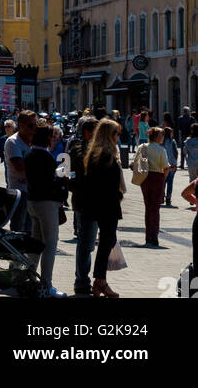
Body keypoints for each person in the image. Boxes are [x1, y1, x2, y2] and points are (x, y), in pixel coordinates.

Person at [82, 117, 123, 297]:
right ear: (108, 134)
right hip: (107, 205)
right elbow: (106, 183)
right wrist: (118, 195)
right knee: (106, 243)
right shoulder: (106, 155)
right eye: (116, 133)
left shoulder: (96, 153)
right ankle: (100, 282)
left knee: (105, 243)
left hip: (98, 204)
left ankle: (99, 282)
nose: (118, 136)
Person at [25, 121, 66, 296]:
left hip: (32, 201)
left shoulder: (29, 154)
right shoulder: (47, 157)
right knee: (50, 244)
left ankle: (29, 279)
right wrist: (63, 179)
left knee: (36, 243)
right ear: (48, 138)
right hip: (47, 202)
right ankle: (46, 284)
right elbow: (53, 182)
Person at [69, 115, 99, 296]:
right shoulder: (82, 149)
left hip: (82, 200)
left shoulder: (76, 147)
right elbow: (75, 173)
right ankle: (82, 281)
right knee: (85, 244)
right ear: (88, 132)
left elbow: (71, 175)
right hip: (87, 201)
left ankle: (82, 280)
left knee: (85, 242)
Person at [134, 126, 170, 246]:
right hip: (157, 177)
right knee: (155, 208)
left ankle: (148, 235)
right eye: (162, 135)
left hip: (145, 178)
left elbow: (135, 162)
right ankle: (154, 234)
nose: (163, 137)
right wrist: (163, 179)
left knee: (147, 207)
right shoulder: (161, 150)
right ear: (157, 137)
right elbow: (166, 167)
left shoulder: (141, 147)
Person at [4, 110, 38, 231]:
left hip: (32, 190)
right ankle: (16, 250)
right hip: (20, 192)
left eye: (36, 125)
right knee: (19, 228)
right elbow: (19, 167)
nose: (34, 128)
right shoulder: (13, 142)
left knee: (32, 228)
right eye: (31, 125)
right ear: (21, 126)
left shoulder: (34, 141)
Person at [163, 126, 179, 207]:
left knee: (163, 181)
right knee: (170, 182)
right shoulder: (172, 141)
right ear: (169, 133)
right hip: (172, 164)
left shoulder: (161, 142)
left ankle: (161, 196)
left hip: (164, 165)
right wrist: (175, 163)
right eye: (172, 132)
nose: (173, 134)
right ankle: (168, 198)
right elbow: (176, 152)